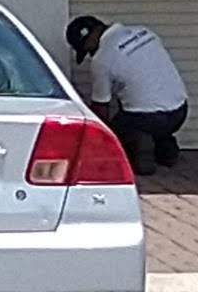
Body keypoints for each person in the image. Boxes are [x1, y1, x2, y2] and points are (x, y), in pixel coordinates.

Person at [68, 13, 190, 173]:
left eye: (86, 49)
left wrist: (96, 143)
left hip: (147, 120)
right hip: (179, 112)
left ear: (90, 37)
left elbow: (100, 107)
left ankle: (141, 150)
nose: (90, 54)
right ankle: (165, 148)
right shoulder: (144, 32)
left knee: (120, 128)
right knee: (140, 103)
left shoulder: (102, 59)